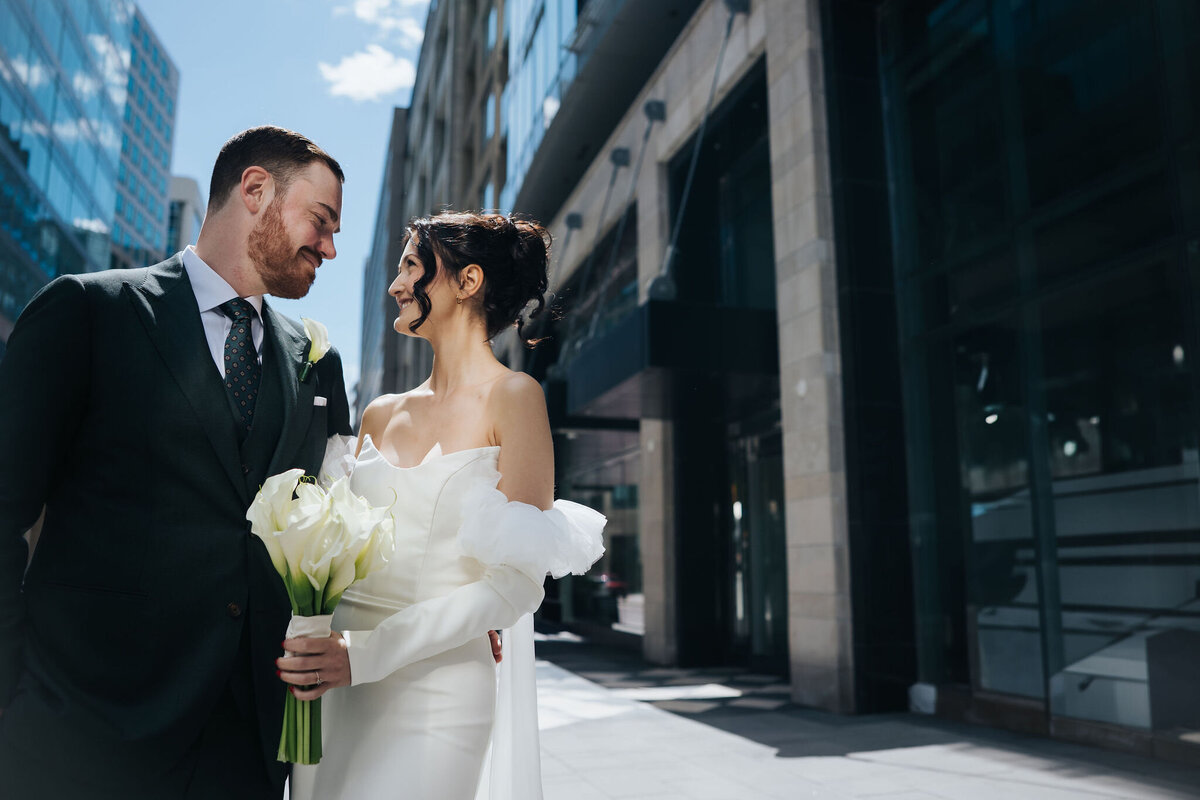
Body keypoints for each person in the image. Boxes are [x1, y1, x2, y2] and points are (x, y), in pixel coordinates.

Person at [0, 126, 353, 798]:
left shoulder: (318, 363)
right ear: (256, 190)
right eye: (321, 220)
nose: (330, 248)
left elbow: (333, 522)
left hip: (244, 752)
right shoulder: (87, 312)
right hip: (78, 739)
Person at [281, 212, 605, 800]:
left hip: (436, 692)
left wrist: (367, 655)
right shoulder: (380, 412)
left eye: (410, 266)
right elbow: (338, 543)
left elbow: (512, 586)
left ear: (467, 280)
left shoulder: (515, 397)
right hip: (333, 680)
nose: (396, 285)